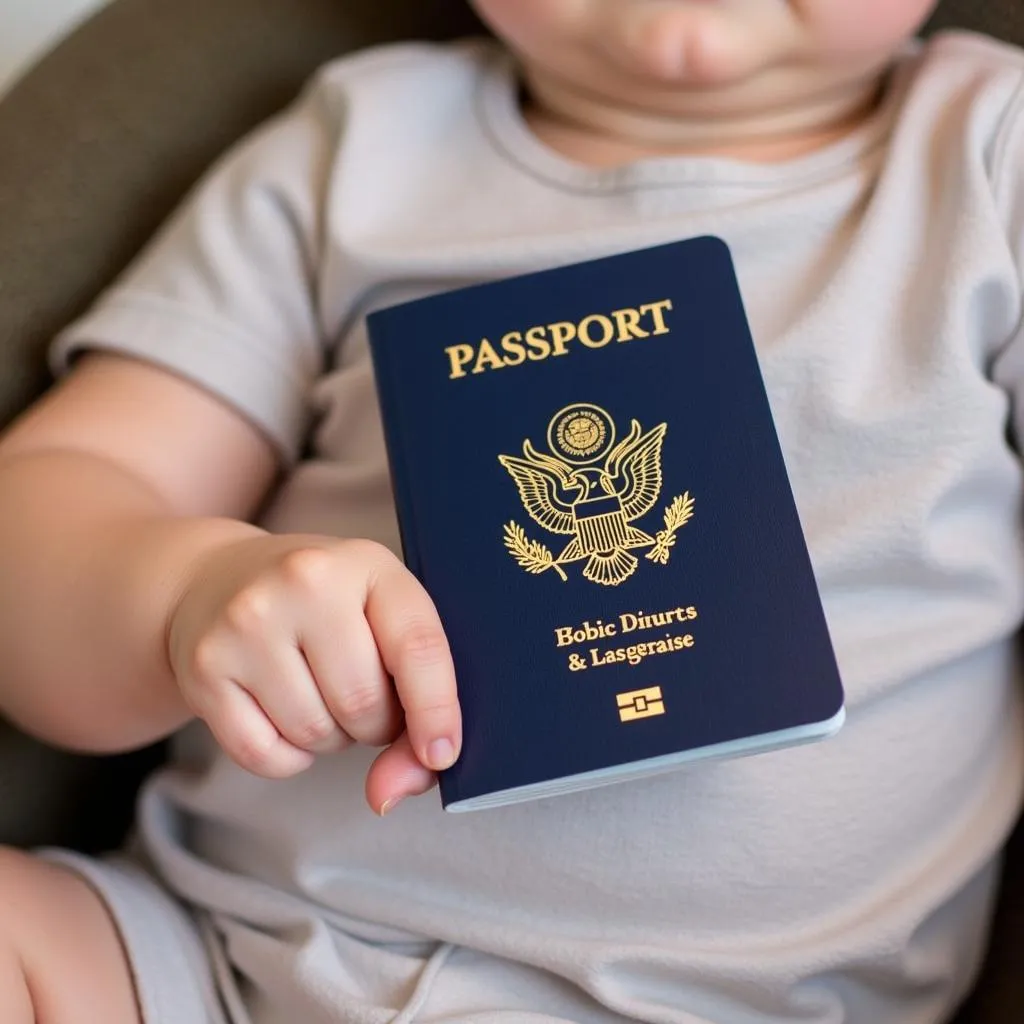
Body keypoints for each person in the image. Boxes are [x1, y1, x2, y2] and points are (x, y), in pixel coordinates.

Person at [0, 0, 1021, 1020]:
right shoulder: (351, 157)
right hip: (215, 964)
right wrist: (187, 595)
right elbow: (56, 505)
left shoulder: (990, 158)